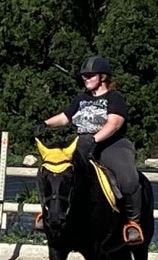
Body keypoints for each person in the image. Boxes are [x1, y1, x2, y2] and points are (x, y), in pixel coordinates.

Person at [34, 55, 144, 245]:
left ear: (103, 77)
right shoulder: (81, 99)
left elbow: (114, 124)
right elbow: (66, 117)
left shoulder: (114, 98)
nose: (85, 78)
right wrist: (45, 124)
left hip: (112, 144)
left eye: (90, 75)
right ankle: (49, 212)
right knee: (52, 171)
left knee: (128, 178)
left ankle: (132, 223)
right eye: (84, 76)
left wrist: (94, 139)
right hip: (82, 143)